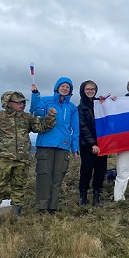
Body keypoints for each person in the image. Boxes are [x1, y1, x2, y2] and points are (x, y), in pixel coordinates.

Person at [0, 91, 56, 222]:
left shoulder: (27, 118)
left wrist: (50, 116)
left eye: (23, 102)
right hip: (2, 159)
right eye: (18, 102)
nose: (22, 104)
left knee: (19, 187)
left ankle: (16, 215)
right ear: (8, 103)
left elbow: (41, 126)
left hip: (21, 159)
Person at [30, 77, 80, 213]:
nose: (65, 89)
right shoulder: (46, 101)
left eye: (68, 87)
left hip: (63, 146)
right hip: (45, 144)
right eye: (62, 86)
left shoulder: (72, 108)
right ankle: (42, 206)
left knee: (58, 177)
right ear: (57, 87)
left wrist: (75, 147)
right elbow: (35, 111)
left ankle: (53, 207)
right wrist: (35, 95)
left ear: (70, 90)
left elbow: (75, 129)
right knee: (44, 176)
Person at [78, 80, 108, 206]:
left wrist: (112, 100)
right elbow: (83, 127)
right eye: (87, 89)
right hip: (87, 145)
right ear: (83, 91)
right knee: (86, 170)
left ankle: (97, 197)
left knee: (101, 170)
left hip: (102, 143)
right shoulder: (81, 107)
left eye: (92, 89)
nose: (90, 91)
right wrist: (92, 144)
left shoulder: (100, 103)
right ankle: (83, 197)